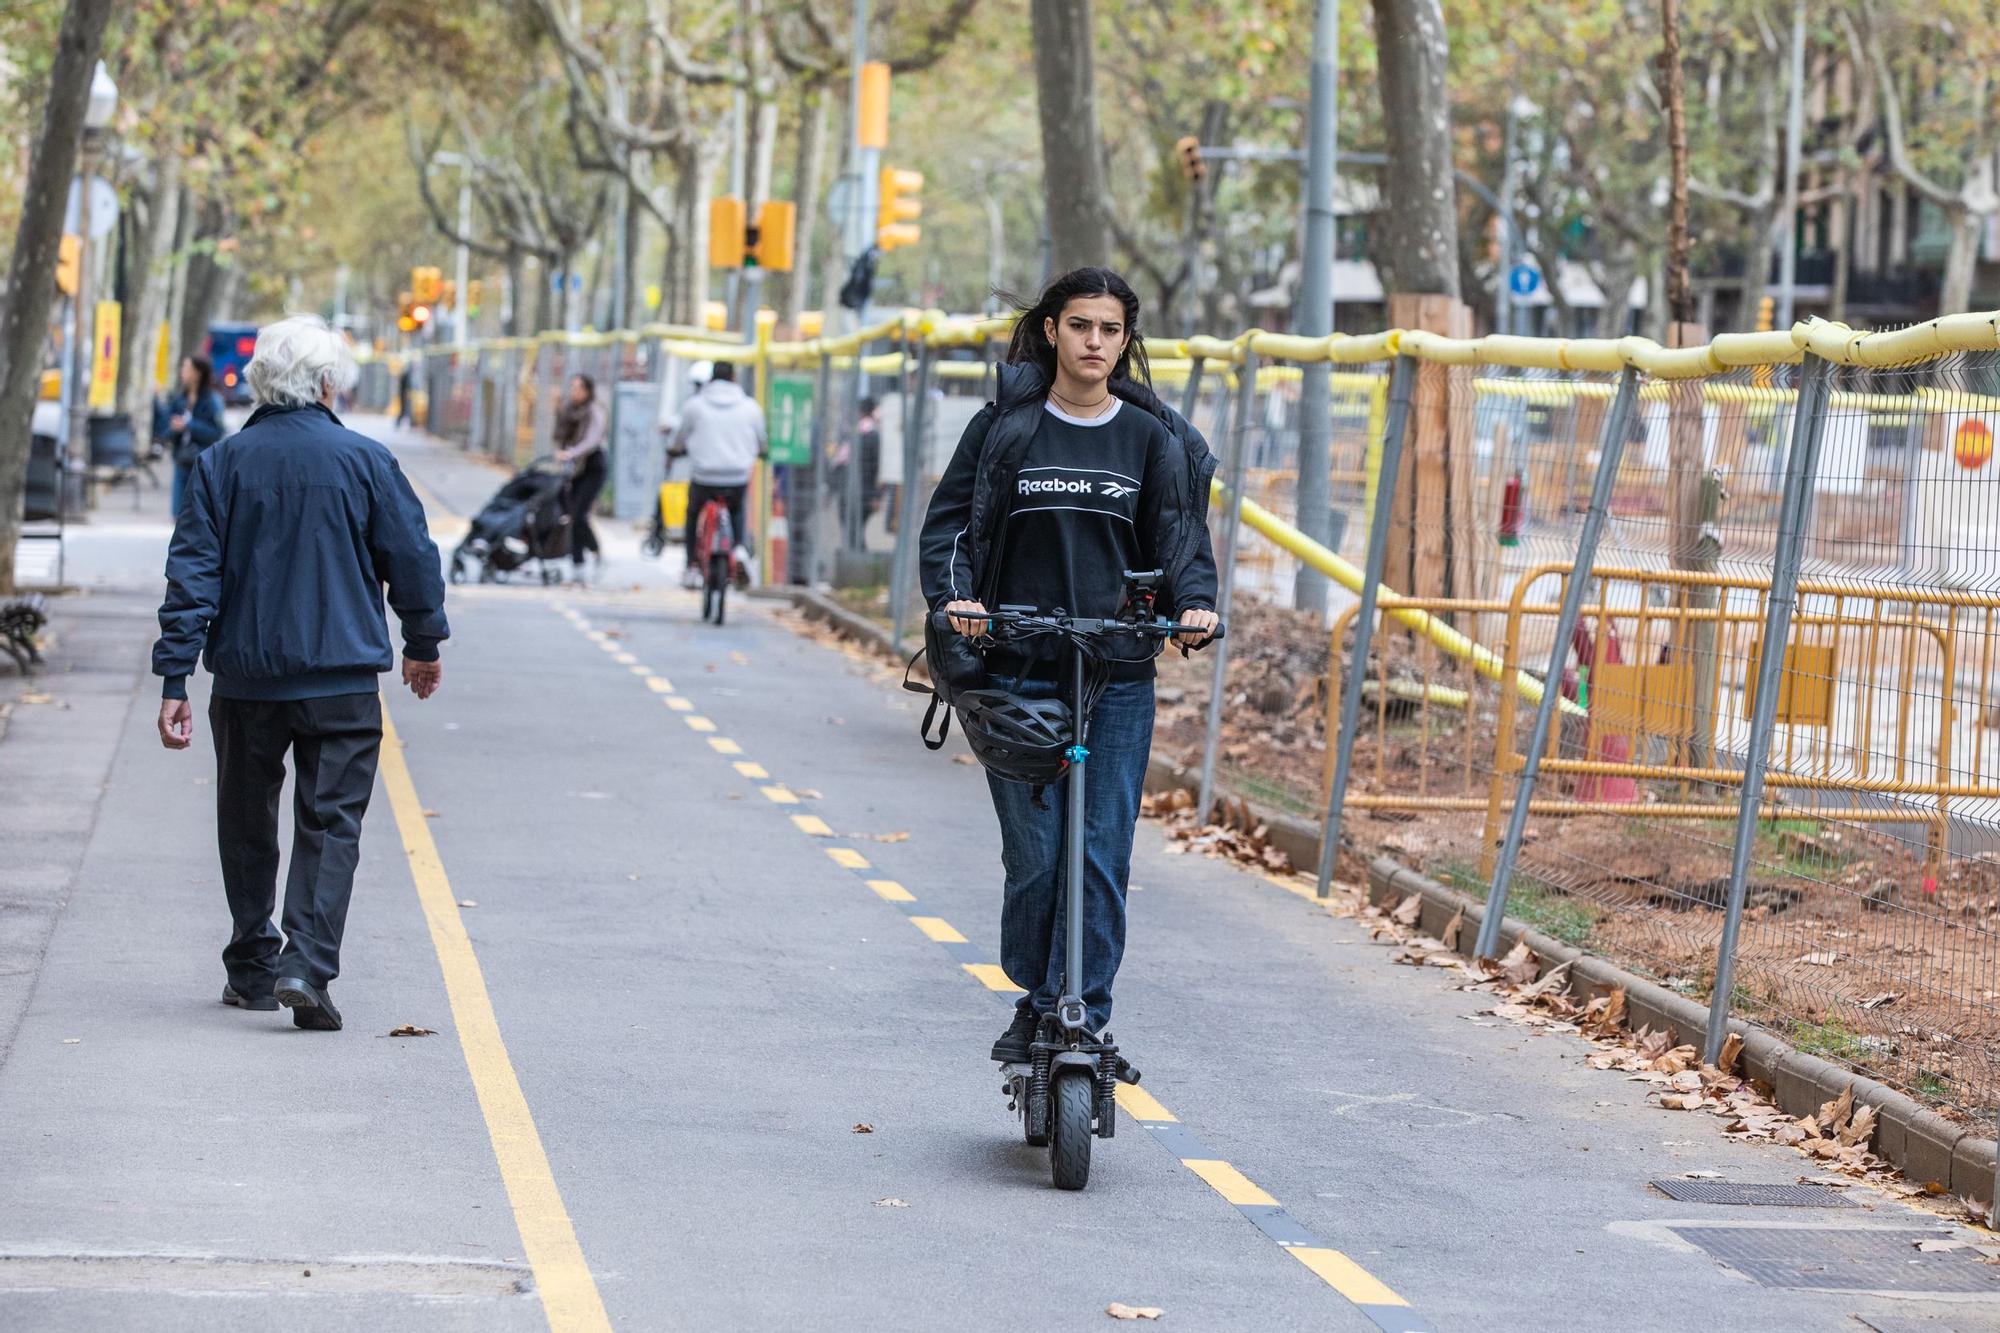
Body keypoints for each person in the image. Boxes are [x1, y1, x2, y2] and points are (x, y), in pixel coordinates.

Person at [918, 267, 1219, 1068]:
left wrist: (1193, 607)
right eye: (1080, 325)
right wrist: (957, 604)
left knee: (1101, 851)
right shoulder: (1002, 430)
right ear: (1051, 330)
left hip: (1115, 674)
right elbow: (948, 530)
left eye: (1110, 330)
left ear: (1126, 341)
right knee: (1039, 854)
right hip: (1012, 673)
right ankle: (1035, 990)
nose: (1094, 342)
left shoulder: (1152, 440)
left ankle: (1075, 1012)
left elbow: (1182, 542)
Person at [153, 315, 449, 1033]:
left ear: (260, 383)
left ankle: (252, 965)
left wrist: (173, 678)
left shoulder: (222, 464)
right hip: (342, 678)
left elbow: (192, 574)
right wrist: (422, 640)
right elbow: (410, 554)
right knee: (331, 820)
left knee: (246, 818)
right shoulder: (365, 460)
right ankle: (306, 963)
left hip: (248, 680)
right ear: (326, 384)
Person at [669, 360, 764, 590]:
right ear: (734, 378)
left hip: (704, 476)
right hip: (737, 475)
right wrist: (762, 452)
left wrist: (675, 449)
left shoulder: (695, 405)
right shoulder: (750, 407)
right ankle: (740, 548)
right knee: (737, 507)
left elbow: (680, 436)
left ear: (711, 378)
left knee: (693, 514)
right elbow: (761, 439)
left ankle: (692, 565)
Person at [553, 373, 608, 582]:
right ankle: (578, 563)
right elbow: (560, 434)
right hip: (575, 468)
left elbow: (592, 440)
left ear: (587, 391)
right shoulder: (568, 409)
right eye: (572, 387)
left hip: (593, 465)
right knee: (571, 515)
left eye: (578, 388)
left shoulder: (595, 411)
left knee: (578, 514)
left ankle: (594, 551)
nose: (574, 392)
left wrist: (571, 453)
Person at [159, 355, 226, 517]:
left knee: (199, 513)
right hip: (181, 459)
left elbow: (216, 432)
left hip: (203, 462)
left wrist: (189, 425)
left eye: (186, 368)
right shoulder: (179, 399)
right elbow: (164, 429)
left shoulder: (212, 401)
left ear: (198, 373)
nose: (182, 372)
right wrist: (174, 428)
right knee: (178, 513)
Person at [395, 358, 415, 428]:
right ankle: (398, 422)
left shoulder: (406, 374)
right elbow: (405, 386)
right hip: (404, 395)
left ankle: (408, 424)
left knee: (406, 410)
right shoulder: (405, 375)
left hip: (405, 394)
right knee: (403, 410)